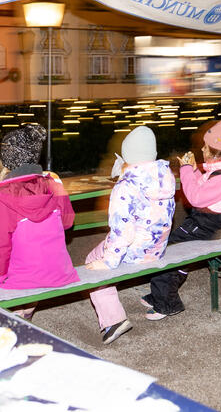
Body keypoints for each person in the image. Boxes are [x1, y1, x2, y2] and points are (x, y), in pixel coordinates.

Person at [141, 118, 221, 320]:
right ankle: (161, 293)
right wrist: (195, 169)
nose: (202, 150)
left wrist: (186, 170)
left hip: (210, 228)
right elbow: (201, 187)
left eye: (206, 147)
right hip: (207, 225)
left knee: (165, 251)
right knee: (173, 247)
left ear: (215, 151)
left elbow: (195, 197)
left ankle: (167, 303)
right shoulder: (219, 172)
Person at [85, 126, 176, 344]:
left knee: (92, 261)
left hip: (134, 249)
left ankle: (114, 320)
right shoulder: (165, 176)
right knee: (109, 249)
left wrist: (108, 261)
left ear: (128, 154)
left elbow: (122, 231)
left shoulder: (126, 186)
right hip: (157, 247)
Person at [0, 124, 79, 294]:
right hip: (60, 274)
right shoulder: (53, 185)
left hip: (20, 280)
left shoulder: (1, 198)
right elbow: (67, 222)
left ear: (6, 159)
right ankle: (26, 311)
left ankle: (22, 312)